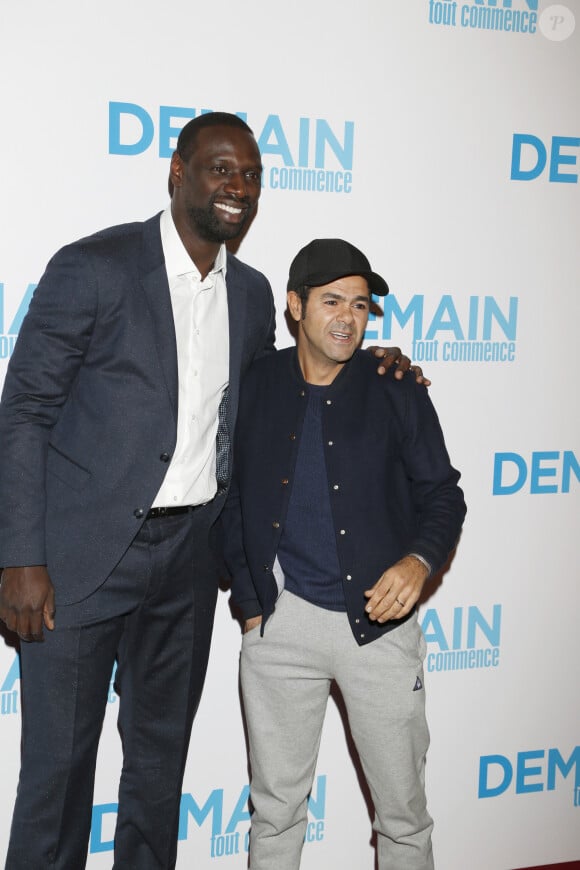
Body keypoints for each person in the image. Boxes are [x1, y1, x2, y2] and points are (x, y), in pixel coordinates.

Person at [0, 115, 419, 869]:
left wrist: (375, 363)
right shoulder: (92, 266)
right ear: (177, 172)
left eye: (251, 176)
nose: (237, 188)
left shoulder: (254, 295)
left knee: (160, 775)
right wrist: (21, 556)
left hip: (188, 566)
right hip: (78, 564)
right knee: (56, 778)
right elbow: (25, 410)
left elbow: (278, 393)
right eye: (221, 169)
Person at [221, 239, 467, 870]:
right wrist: (252, 606)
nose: (348, 318)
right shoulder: (256, 384)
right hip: (282, 624)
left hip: (378, 630)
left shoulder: (396, 387)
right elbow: (230, 496)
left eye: (360, 305)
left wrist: (418, 561)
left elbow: (443, 495)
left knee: (403, 816)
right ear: (295, 306)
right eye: (332, 301)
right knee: (275, 812)